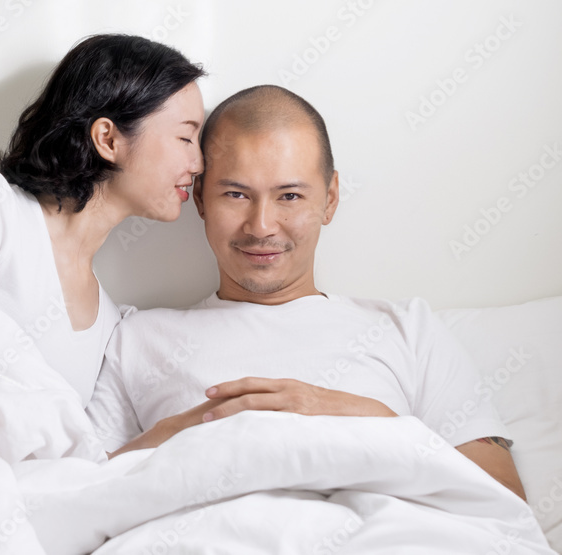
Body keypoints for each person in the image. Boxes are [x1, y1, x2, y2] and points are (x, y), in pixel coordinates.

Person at [87, 84, 526, 501]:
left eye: (290, 196)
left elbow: (504, 501)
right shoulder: (137, 339)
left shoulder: (407, 330)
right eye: (236, 194)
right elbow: (78, 499)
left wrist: (359, 416)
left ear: (330, 198)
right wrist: (178, 436)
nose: (262, 226)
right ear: (200, 198)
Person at [0, 34, 206, 555]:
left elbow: (74, 471)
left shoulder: (109, 322)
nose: (199, 163)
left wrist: (185, 428)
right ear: (108, 138)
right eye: (187, 137)